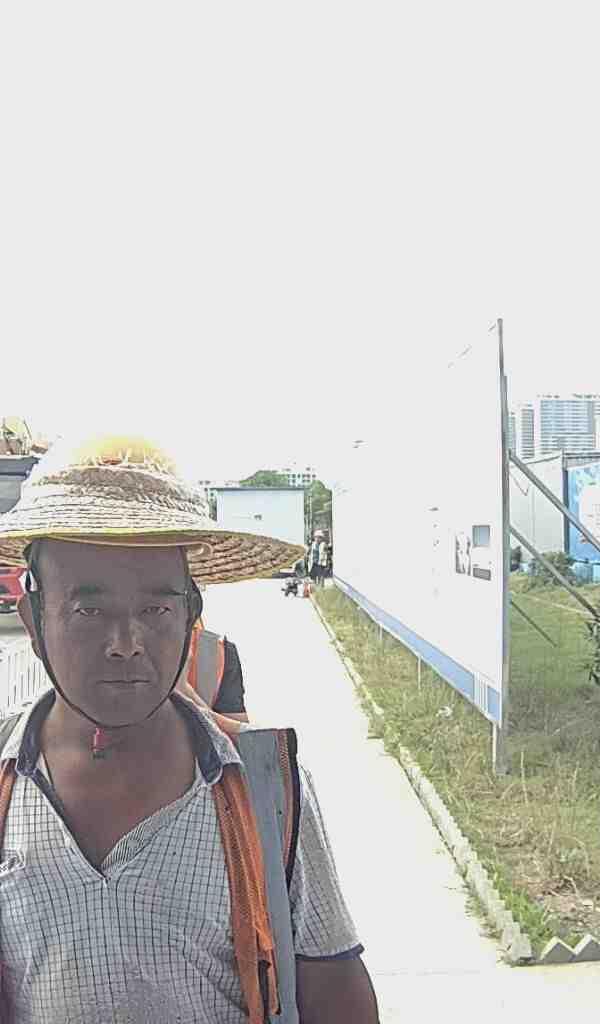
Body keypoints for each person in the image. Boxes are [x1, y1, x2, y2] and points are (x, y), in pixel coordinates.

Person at [0, 434, 379, 1024]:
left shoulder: (264, 788)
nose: (126, 644)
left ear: (190, 616)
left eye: (156, 609)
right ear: (33, 618)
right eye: (88, 609)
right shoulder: (5, 783)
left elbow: (334, 991)